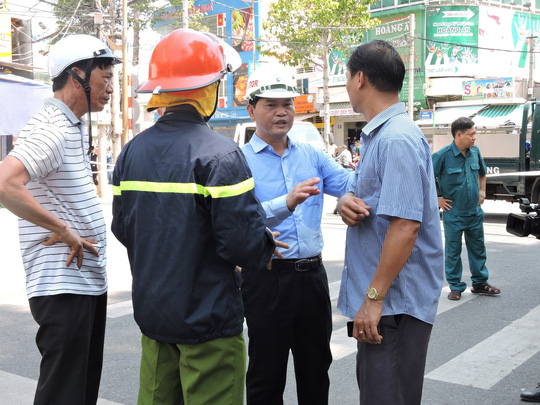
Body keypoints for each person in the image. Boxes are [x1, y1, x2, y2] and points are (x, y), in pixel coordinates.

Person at [111, 29, 284, 405]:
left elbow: (124, 227)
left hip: (155, 319)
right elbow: (243, 242)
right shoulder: (220, 154)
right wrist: (264, 248)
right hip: (208, 322)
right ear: (211, 87)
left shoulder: (130, 152)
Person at [0, 34, 120, 404]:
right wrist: (63, 230)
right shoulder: (52, 125)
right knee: (64, 394)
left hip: (80, 284)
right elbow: (6, 183)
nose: (111, 88)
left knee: (78, 391)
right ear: (76, 76)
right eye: (105, 77)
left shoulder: (69, 125)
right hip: (62, 285)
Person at [336, 40, 444, 405]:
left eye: (347, 76)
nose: (348, 84)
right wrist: (346, 203)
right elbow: (379, 205)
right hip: (387, 307)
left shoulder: (396, 137)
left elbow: (405, 226)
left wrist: (373, 299)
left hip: (392, 309)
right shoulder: (381, 136)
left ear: (360, 78)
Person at [240, 64, 352, 405]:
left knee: (316, 369)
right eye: (270, 105)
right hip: (267, 279)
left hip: (312, 278)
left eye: (286, 104)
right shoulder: (238, 161)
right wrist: (284, 203)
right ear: (251, 109)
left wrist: (346, 196)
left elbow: (349, 184)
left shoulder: (311, 155)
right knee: (266, 375)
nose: (280, 112)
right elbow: (237, 219)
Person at [432, 117, 501, 301]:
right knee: (453, 251)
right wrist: (438, 198)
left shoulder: (474, 151)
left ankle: (479, 283)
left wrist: (482, 190)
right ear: (459, 135)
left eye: (475, 134)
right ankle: (455, 286)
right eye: (471, 134)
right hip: (454, 213)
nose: (474, 138)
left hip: (474, 212)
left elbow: (482, 172)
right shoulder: (443, 155)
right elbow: (427, 176)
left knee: (478, 249)